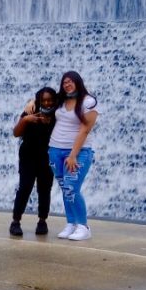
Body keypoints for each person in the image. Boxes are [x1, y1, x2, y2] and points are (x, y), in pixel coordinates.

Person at [50, 71, 99, 241]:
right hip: (55, 150)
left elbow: (85, 129)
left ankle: (83, 226)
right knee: (65, 188)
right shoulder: (61, 100)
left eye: (70, 81)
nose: (67, 84)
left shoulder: (89, 102)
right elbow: (43, 97)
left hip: (79, 152)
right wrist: (31, 103)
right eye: (64, 82)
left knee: (72, 187)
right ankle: (71, 223)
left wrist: (73, 155)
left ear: (78, 82)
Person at [9, 86, 57, 236]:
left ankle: (42, 221)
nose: (47, 103)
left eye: (50, 100)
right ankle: (15, 221)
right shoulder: (31, 110)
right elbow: (16, 133)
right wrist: (26, 119)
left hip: (48, 157)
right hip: (28, 156)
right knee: (25, 187)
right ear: (39, 100)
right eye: (44, 100)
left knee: (44, 189)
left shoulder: (59, 113)